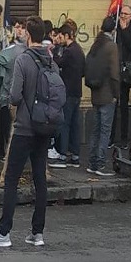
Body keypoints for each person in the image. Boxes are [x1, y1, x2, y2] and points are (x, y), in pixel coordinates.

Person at [0, 18, 54, 249]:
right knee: (39, 178)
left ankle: (4, 233)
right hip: (44, 126)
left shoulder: (24, 59)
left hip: (24, 127)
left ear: (28, 35)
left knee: (12, 179)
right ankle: (37, 232)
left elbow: (14, 96)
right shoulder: (50, 59)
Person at [84, 15, 120, 176]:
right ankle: (100, 164)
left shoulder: (96, 44)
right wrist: (116, 94)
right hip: (106, 94)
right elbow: (114, 73)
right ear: (113, 29)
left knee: (95, 130)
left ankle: (92, 163)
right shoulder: (111, 46)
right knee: (105, 131)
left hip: (95, 93)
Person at [53, 22, 86, 168]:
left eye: (60, 36)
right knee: (74, 124)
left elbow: (57, 63)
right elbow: (84, 71)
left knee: (65, 123)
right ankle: (75, 155)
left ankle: (62, 155)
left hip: (67, 91)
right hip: (77, 91)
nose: (59, 39)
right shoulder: (79, 50)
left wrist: (54, 49)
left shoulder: (68, 51)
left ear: (66, 36)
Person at [0, 21, 27, 156]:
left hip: (5, 96)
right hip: (23, 99)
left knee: (5, 127)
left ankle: (3, 153)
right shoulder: (28, 52)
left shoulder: (4, 54)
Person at [115, 5, 131, 146]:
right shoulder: (116, 28)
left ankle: (124, 138)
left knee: (124, 105)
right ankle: (112, 138)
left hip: (126, 72)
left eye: (126, 14)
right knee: (113, 104)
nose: (123, 16)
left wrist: (124, 30)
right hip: (115, 70)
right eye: (122, 13)